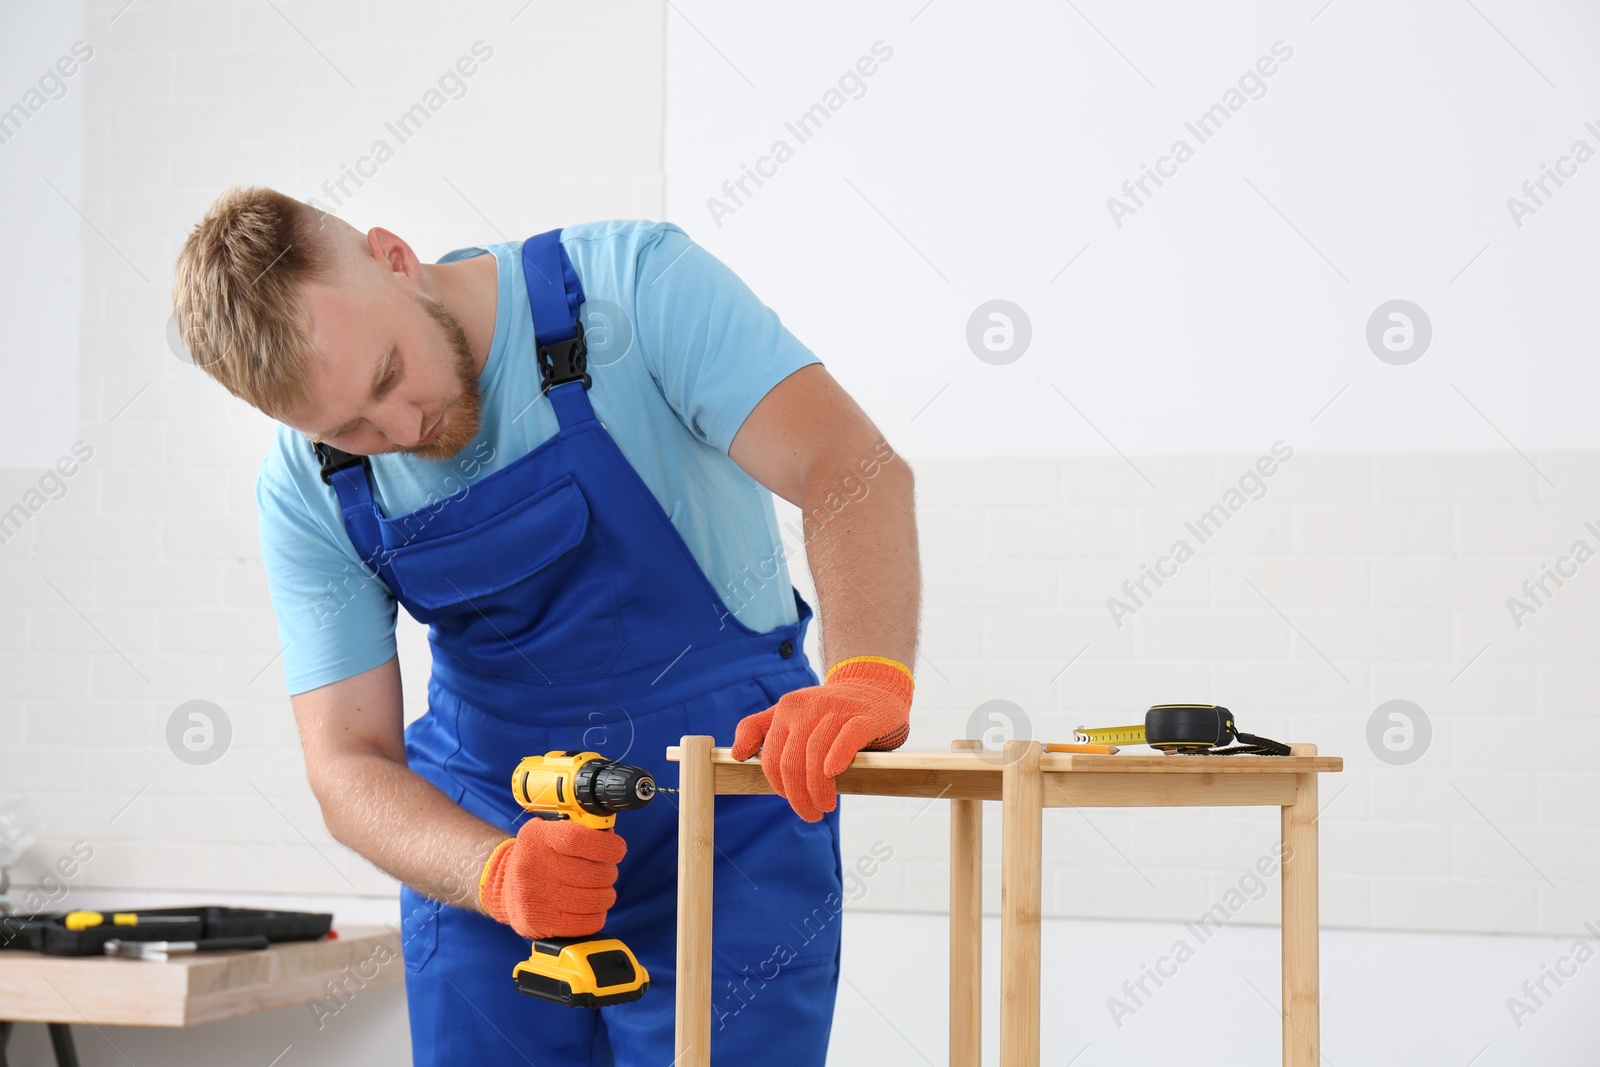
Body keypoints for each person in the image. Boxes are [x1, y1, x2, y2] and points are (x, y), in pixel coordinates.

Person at [171, 186, 921, 1064]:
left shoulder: (632, 290)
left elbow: (849, 468)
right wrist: (494, 875)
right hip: (498, 845)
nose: (402, 427)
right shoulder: (306, 488)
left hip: (727, 826)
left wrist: (865, 673)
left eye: (388, 376)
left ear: (395, 257)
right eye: (351, 428)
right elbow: (346, 764)